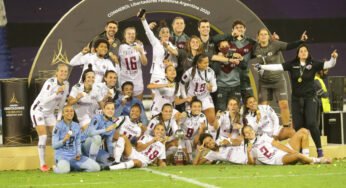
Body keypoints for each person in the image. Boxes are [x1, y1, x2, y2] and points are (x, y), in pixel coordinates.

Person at [254, 45, 338, 157]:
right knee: (298, 126)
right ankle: (301, 153)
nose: (303, 52)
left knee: (312, 124)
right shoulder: (292, 64)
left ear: (308, 53)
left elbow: (329, 64)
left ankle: (319, 150)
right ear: (298, 54)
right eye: (301, 51)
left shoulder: (313, 64)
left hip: (310, 98)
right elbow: (277, 67)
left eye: (305, 51)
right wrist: (262, 67)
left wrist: (333, 58)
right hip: (296, 99)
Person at [252, 28, 308, 128]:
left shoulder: (275, 44)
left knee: (284, 105)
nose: (264, 36)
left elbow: (289, 46)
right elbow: (247, 56)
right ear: (258, 37)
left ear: (269, 37)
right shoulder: (255, 48)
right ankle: (264, 129)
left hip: (278, 80)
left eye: (266, 34)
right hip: (264, 82)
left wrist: (301, 41)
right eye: (261, 34)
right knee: (263, 108)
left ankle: (286, 128)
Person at [30, 64, 70, 172]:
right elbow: (44, 101)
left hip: (50, 113)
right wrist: (56, 93)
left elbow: (61, 105)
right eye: (61, 71)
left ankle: (58, 161)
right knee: (43, 137)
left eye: (65, 71)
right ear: (56, 73)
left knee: (57, 136)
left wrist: (58, 119)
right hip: (38, 110)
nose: (63, 73)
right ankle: (43, 164)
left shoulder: (66, 84)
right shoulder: (50, 83)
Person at [212, 20, 257, 102]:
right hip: (230, 80)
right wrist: (231, 35)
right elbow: (214, 39)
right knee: (233, 104)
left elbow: (261, 49)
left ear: (245, 29)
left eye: (241, 27)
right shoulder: (228, 40)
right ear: (232, 30)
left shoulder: (252, 42)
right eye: (236, 28)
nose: (239, 29)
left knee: (250, 101)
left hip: (244, 76)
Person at [242, 125, 332, 165]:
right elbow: (251, 164)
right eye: (246, 133)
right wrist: (248, 153)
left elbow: (278, 145)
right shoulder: (248, 147)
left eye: (250, 130)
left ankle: (305, 159)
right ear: (244, 136)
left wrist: (291, 151)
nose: (249, 133)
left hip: (281, 151)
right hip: (278, 159)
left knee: (303, 131)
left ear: (254, 130)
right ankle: (318, 160)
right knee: (297, 155)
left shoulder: (263, 136)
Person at [52, 105, 100, 173]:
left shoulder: (76, 126)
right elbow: (54, 146)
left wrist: (79, 153)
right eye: (67, 111)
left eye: (71, 111)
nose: (69, 113)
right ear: (63, 113)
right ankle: (56, 168)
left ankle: (74, 167)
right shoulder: (58, 126)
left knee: (96, 168)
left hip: (74, 157)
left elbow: (78, 142)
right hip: (62, 156)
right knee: (64, 171)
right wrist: (64, 140)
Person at [138, 11, 178, 83]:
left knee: (168, 93)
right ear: (159, 35)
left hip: (168, 74)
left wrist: (171, 64)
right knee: (156, 94)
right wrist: (143, 20)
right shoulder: (155, 42)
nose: (165, 34)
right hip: (156, 73)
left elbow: (175, 54)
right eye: (163, 32)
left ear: (170, 34)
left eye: (167, 32)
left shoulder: (172, 45)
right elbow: (148, 32)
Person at [180, 54, 217, 126]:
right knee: (190, 122)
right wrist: (185, 98)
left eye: (208, 62)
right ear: (198, 63)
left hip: (205, 97)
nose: (207, 64)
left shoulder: (211, 72)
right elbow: (181, 84)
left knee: (212, 120)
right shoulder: (190, 72)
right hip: (192, 98)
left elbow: (215, 87)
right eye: (205, 63)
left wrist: (211, 89)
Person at [68, 65, 103, 131]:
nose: (91, 79)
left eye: (93, 77)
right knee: (92, 134)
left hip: (92, 118)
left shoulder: (97, 89)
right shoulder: (77, 87)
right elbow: (69, 103)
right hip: (79, 118)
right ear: (84, 78)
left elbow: (102, 106)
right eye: (88, 77)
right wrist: (77, 99)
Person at [215, 40, 246, 111]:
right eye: (222, 46)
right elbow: (215, 70)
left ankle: (235, 122)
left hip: (235, 86)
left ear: (230, 47)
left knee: (235, 109)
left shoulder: (235, 55)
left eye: (226, 46)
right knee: (221, 109)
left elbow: (244, 67)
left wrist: (241, 59)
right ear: (219, 48)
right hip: (221, 87)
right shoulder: (216, 57)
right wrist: (219, 60)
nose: (225, 48)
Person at [118, 27, 148, 100]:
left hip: (137, 79)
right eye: (129, 34)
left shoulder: (139, 45)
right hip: (124, 78)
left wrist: (141, 51)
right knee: (125, 104)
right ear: (125, 35)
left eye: (133, 34)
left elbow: (145, 63)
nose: (131, 35)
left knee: (138, 104)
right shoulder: (120, 47)